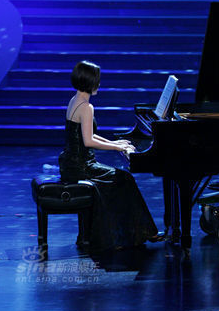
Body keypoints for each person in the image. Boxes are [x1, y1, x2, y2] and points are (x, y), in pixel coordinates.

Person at [59, 60, 161, 253]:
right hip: (81, 166)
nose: (99, 84)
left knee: (121, 180)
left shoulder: (75, 100)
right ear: (90, 81)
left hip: (71, 163)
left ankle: (135, 233)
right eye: (97, 80)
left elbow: (85, 135)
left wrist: (116, 143)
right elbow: (88, 141)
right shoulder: (86, 107)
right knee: (124, 179)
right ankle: (137, 233)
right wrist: (115, 149)